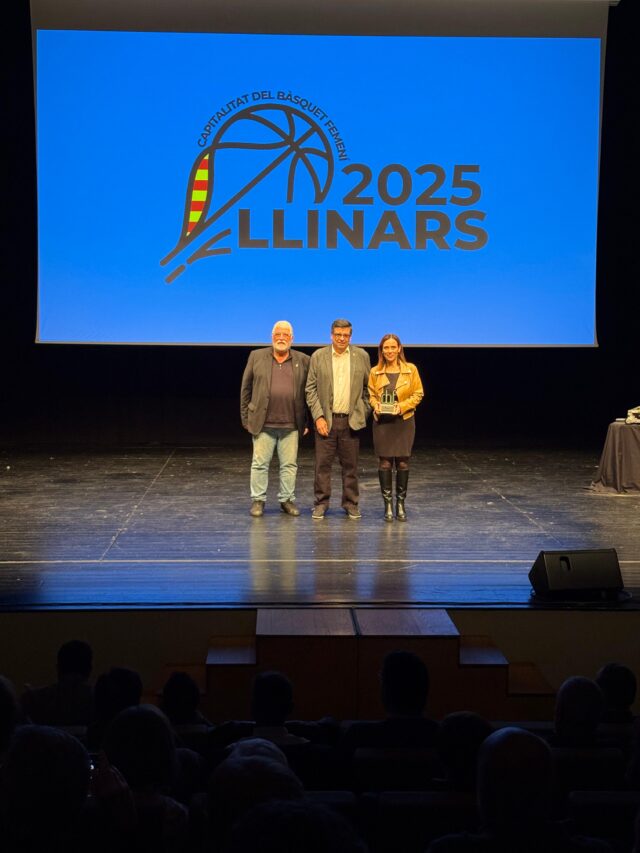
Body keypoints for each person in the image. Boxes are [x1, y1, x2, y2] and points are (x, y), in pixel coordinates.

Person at [240, 321, 310, 517]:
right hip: (263, 423)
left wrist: (306, 422)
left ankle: (286, 500)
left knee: (289, 465)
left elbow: (309, 393)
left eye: (285, 335)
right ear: (272, 337)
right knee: (259, 464)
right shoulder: (256, 356)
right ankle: (258, 500)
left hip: (291, 423)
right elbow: (246, 388)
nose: (281, 338)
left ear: (291, 338)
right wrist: (246, 418)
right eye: (278, 334)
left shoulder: (304, 360)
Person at [305, 319, 371, 519]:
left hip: (350, 422)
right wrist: (318, 417)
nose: (342, 338)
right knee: (322, 466)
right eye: (338, 335)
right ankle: (321, 503)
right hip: (326, 421)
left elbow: (369, 389)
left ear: (350, 336)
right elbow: (310, 389)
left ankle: (351, 503)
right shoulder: (319, 356)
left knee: (351, 467)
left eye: (345, 335)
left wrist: (361, 413)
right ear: (331, 335)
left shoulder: (361, 356)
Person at [368, 333, 424, 521]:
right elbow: (371, 395)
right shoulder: (375, 371)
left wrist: (401, 407)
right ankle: (387, 506)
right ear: (381, 350)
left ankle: (400, 504)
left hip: (404, 421)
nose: (390, 351)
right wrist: (376, 405)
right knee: (384, 463)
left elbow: (418, 394)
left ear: (399, 348)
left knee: (402, 463)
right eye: (386, 348)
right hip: (383, 423)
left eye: (393, 347)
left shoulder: (411, 369)